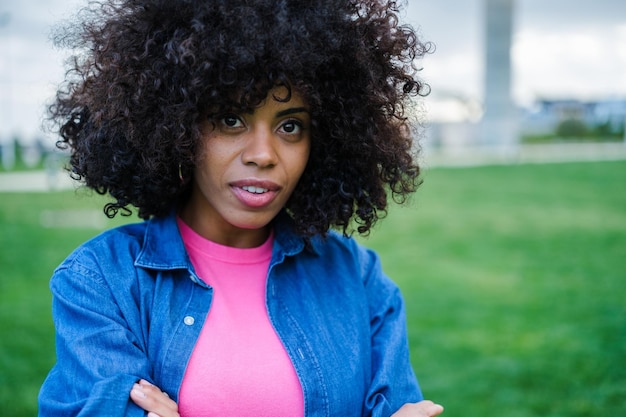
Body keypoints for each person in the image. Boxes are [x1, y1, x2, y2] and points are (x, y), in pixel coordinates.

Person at [38, 0, 442, 416]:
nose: (264, 154)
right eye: (231, 119)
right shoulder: (101, 280)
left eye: (290, 125)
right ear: (177, 127)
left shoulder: (358, 278)